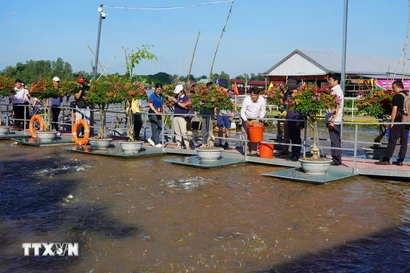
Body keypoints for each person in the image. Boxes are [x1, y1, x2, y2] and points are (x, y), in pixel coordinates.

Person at [376, 80, 409, 166]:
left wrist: (392, 122)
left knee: (392, 141)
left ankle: (387, 159)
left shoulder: (397, 97)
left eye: (393, 88)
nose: (393, 89)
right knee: (404, 142)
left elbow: (394, 110)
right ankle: (400, 160)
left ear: (398, 87)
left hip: (398, 121)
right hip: (407, 122)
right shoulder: (408, 95)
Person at [325, 73, 344, 166]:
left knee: (335, 140)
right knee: (334, 140)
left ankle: (336, 159)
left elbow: (337, 107)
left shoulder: (337, 91)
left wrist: (332, 121)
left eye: (330, 80)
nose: (329, 81)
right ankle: (336, 158)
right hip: (331, 118)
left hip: (334, 120)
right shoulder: (333, 91)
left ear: (336, 81)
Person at [240, 88, 266, 155]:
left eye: (255, 95)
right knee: (245, 134)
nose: (253, 97)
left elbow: (263, 111)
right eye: (252, 95)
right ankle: (246, 151)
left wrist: (260, 119)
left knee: (255, 135)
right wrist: (246, 120)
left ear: (258, 95)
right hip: (246, 118)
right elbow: (242, 111)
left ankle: (253, 151)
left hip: (256, 119)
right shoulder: (246, 100)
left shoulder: (262, 100)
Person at [282, 78, 302, 161]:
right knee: (291, 136)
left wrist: (300, 119)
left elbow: (302, 107)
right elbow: (285, 104)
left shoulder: (299, 94)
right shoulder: (287, 93)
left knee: (296, 137)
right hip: (289, 117)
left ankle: (296, 154)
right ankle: (293, 153)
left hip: (296, 117)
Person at [168, 84, 190, 149]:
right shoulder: (176, 97)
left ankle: (187, 145)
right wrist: (170, 101)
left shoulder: (186, 98)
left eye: (178, 93)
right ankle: (178, 144)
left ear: (181, 91)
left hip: (182, 116)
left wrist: (176, 101)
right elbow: (172, 105)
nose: (177, 94)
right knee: (177, 132)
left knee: (183, 131)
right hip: (175, 115)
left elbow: (184, 105)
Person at [216, 79, 234, 149]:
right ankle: (220, 142)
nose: (219, 87)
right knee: (220, 128)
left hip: (228, 114)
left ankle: (226, 142)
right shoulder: (219, 93)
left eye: (220, 86)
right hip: (220, 113)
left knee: (227, 129)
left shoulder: (230, 93)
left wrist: (232, 115)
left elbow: (233, 105)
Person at [147, 83, 164, 148]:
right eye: (158, 89)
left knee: (160, 126)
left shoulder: (161, 95)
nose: (159, 91)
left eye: (160, 89)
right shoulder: (152, 96)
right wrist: (155, 111)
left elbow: (162, 103)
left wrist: (163, 111)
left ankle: (152, 139)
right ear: (155, 88)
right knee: (154, 127)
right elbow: (150, 105)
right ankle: (157, 142)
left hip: (159, 112)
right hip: (153, 112)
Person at [200, 82, 215, 146]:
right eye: (208, 86)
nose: (209, 87)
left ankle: (210, 143)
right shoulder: (203, 94)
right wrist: (201, 102)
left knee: (210, 129)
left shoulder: (214, 94)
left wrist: (213, 101)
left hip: (210, 113)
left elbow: (215, 103)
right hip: (204, 113)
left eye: (210, 86)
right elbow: (199, 102)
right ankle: (204, 143)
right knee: (204, 129)